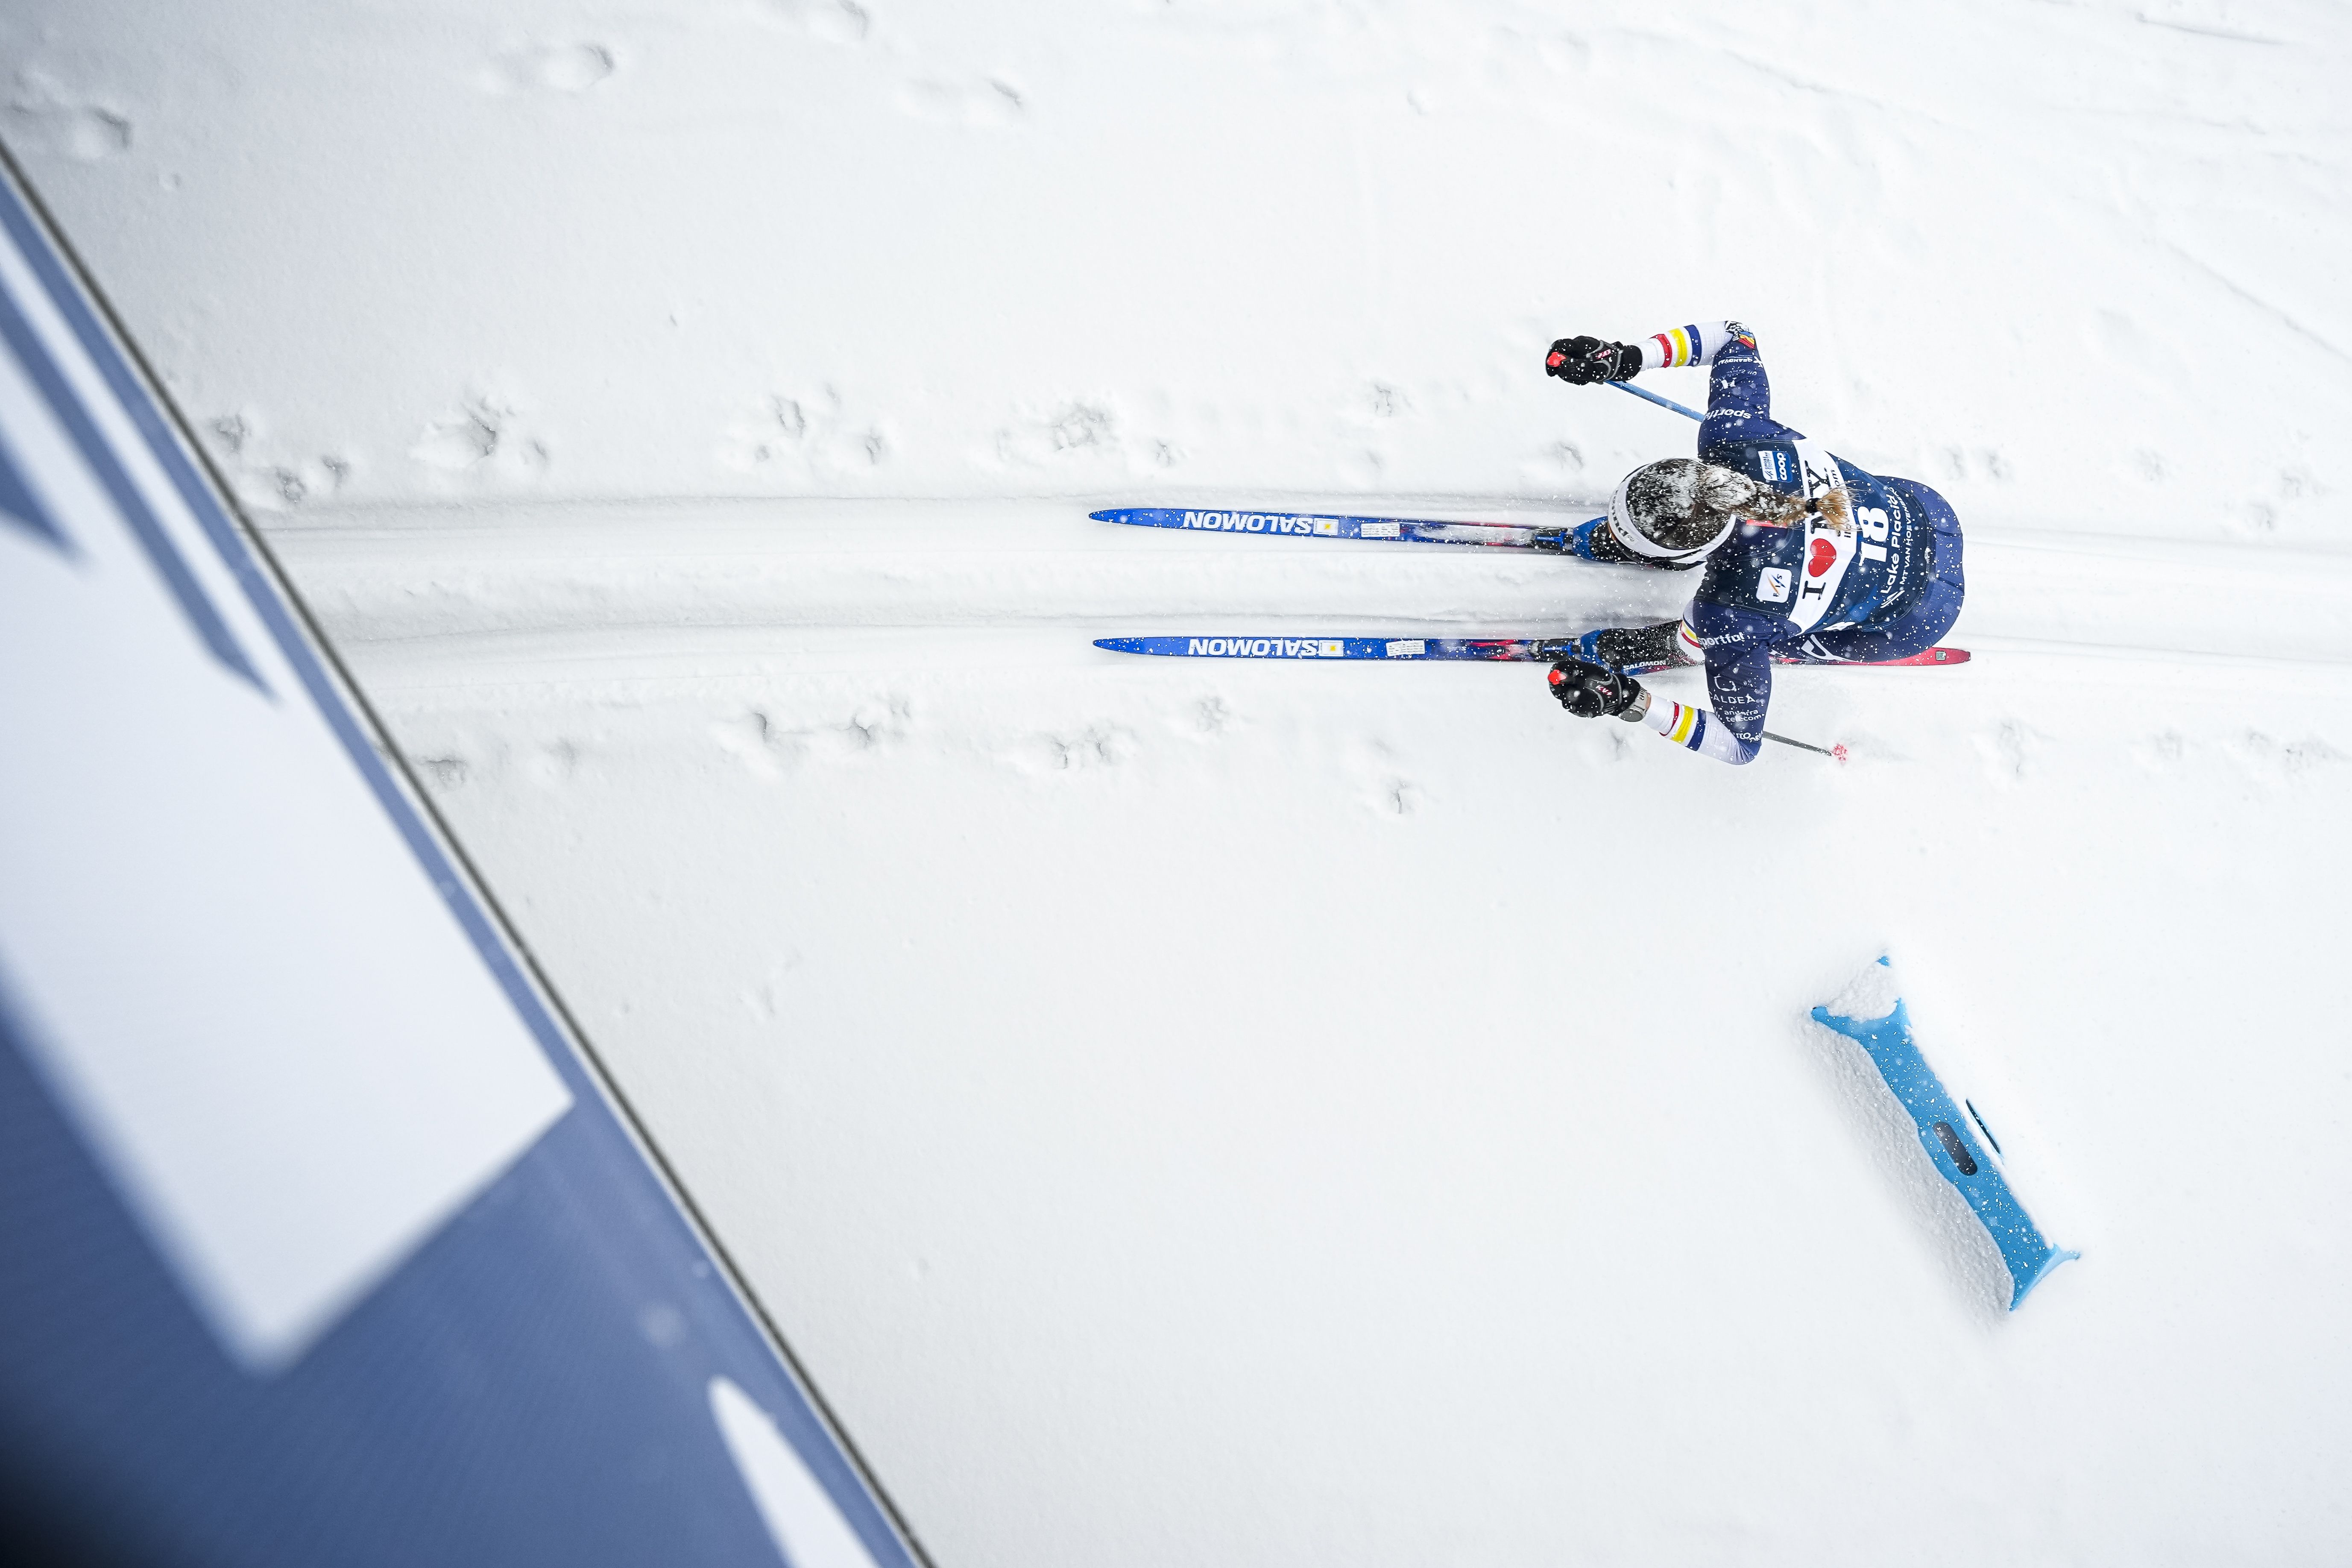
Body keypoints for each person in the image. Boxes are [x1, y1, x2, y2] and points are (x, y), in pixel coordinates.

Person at [1535, 320, 1965, 764]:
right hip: (1926, 512)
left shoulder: (1727, 610)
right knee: (1734, 628)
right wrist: (1627, 357)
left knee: (1713, 636)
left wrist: (1634, 705)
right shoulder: (1732, 439)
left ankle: (1681, 643)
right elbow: (1733, 335)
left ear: (1693, 554)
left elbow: (1740, 746)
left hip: (1915, 620)